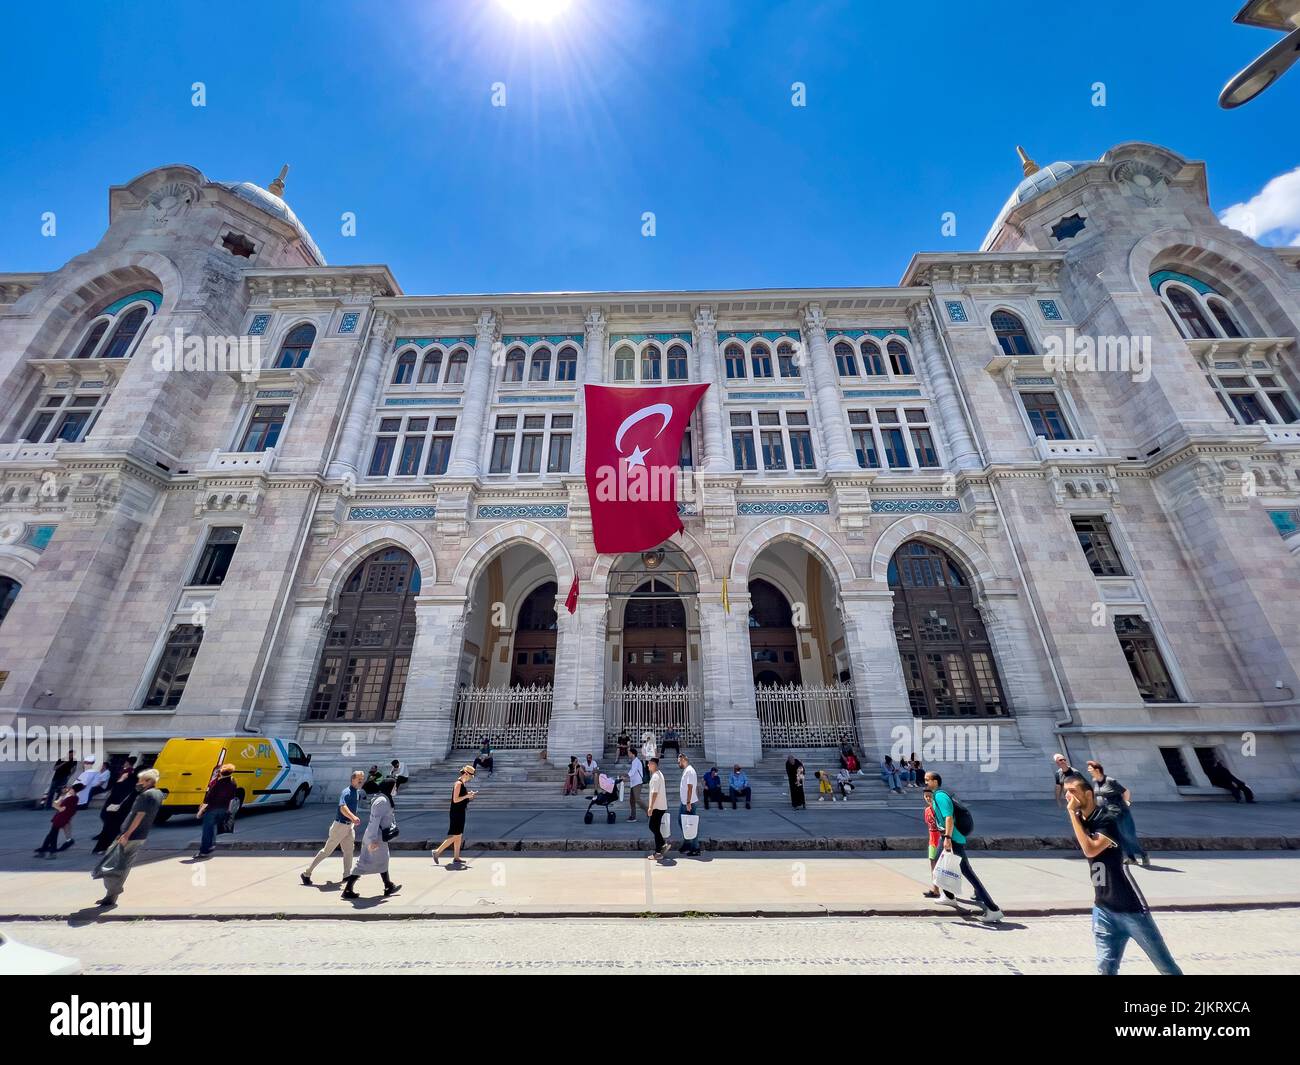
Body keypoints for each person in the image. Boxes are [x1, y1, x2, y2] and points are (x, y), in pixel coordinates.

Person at [1061, 772, 1181, 975]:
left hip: (1131, 908)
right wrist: (1077, 817)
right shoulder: (1084, 821)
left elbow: (1090, 849)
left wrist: (1072, 814)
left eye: (1072, 792)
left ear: (1088, 794)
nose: (1068, 798)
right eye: (1066, 793)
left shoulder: (1106, 819)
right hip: (1103, 908)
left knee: (1165, 966)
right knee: (1105, 968)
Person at [925, 771, 1003, 924]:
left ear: (935, 781)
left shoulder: (940, 796)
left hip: (952, 838)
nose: (925, 782)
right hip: (946, 836)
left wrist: (947, 838)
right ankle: (948, 896)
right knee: (937, 865)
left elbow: (948, 818)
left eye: (927, 780)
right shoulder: (936, 797)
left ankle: (993, 909)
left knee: (967, 872)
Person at [94, 767, 165, 909]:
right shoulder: (158, 794)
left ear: (149, 781)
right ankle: (111, 896)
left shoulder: (145, 796)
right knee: (124, 865)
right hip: (142, 835)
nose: (138, 783)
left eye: (141, 780)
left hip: (131, 835)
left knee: (111, 863)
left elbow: (139, 815)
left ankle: (113, 891)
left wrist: (126, 834)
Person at [341, 780, 401, 900]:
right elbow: (374, 821)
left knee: (382, 859)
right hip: (375, 836)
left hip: (378, 836)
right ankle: (348, 889)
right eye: (394, 787)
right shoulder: (381, 801)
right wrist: (373, 840)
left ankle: (388, 884)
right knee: (365, 862)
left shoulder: (384, 798)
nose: (396, 789)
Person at [302, 770, 364, 885]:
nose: (361, 780)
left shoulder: (357, 792)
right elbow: (342, 807)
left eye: (362, 778)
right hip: (340, 826)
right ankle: (306, 873)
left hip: (349, 827)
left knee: (349, 851)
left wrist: (352, 820)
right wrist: (353, 817)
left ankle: (347, 875)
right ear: (352, 779)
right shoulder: (347, 792)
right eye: (359, 778)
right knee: (326, 851)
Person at [1087, 761, 1149, 867]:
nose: (1089, 771)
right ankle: (1131, 858)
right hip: (1108, 814)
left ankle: (1143, 855)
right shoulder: (1096, 782)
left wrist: (1125, 803)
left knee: (1128, 836)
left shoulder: (1110, 781)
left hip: (1121, 813)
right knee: (1120, 837)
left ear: (1097, 770)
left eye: (1090, 769)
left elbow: (1125, 792)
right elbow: (1098, 797)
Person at [432, 765, 477, 868]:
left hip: (460, 811)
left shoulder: (462, 784)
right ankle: (437, 851)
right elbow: (455, 800)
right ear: (466, 774)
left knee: (459, 834)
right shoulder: (458, 784)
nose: (471, 778)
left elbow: (461, 799)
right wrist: (466, 796)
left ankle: (456, 857)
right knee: (456, 835)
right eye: (470, 776)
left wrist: (469, 796)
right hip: (456, 813)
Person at [93, 760, 139, 854]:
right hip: (122, 811)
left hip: (111, 808)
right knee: (115, 830)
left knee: (108, 829)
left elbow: (115, 790)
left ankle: (100, 848)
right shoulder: (135, 786)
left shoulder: (122, 782)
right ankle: (110, 848)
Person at [196, 763, 238, 856]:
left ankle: (204, 851)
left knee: (207, 829)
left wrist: (200, 812)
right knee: (213, 827)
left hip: (212, 809)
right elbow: (232, 797)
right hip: (224, 809)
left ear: (221, 773)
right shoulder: (233, 782)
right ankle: (211, 845)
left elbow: (208, 799)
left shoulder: (217, 784)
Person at [35, 783, 82, 857]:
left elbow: (57, 806)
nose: (69, 789)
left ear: (73, 789)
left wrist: (61, 797)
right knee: (51, 834)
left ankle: (51, 852)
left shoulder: (70, 798)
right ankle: (44, 850)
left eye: (71, 788)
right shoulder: (75, 798)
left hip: (60, 818)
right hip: (62, 818)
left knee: (53, 835)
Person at [646, 756, 670, 860]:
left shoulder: (656, 776)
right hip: (661, 806)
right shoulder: (659, 774)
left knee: (653, 827)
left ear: (654, 765)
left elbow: (654, 793)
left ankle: (659, 851)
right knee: (655, 828)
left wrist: (650, 807)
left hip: (657, 806)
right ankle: (661, 846)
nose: (648, 765)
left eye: (649, 764)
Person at [678, 753, 701, 856]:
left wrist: (688, 802)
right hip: (685, 802)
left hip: (688, 803)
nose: (678, 764)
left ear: (683, 759)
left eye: (679, 761)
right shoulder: (687, 770)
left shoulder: (690, 771)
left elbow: (690, 787)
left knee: (691, 825)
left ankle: (695, 848)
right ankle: (687, 843)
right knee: (683, 822)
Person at [921, 790, 941, 898]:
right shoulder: (926, 810)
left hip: (941, 841)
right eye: (926, 796)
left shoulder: (940, 810)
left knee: (944, 867)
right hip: (932, 842)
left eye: (930, 796)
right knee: (933, 866)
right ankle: (936, 890)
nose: (928, 798)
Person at [625, 748, 645, 821]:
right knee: (632, 800)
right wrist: (625, 776)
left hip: (637, 783)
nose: (628, 754)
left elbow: (632, 772)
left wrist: (625, 777)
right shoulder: (634, 761)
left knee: (637, 799)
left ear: (633, 754)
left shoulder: (636, 762)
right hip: (633, 783)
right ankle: (633, 816)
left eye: (629, 753)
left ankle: (649, 812)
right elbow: (632, 773)